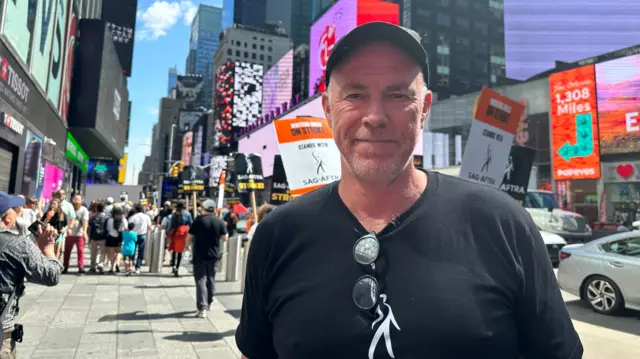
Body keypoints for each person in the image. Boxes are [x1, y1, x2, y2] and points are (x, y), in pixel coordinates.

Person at [236, 22, 583, 359]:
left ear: (425, 108)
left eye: (398, 95)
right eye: (354, 95)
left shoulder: (503, 223)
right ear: (328, 109)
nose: (375, 116)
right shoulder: (277, 234)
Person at [0, 192, 62, 358]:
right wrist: (48, 249)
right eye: (14, 209)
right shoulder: (18, 245)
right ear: (7, 217)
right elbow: (51, 275)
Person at [186, 199, 228, 318]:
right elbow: (225, 238)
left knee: (200, 280)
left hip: (199, 254)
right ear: (214, 209)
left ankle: (202, 307)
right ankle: (209, 301)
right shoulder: (219, 221)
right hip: (214, 254)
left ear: (204, 209)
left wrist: (187, 246)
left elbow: (189, 236)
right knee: (211, 278)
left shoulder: (198, 221)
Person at [63, 195, 89, 274]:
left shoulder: (84, 210)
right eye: (75, 199)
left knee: (80, 251)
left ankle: (81, 267)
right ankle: (65, 266)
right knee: (67, 251)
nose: (76, 201)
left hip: (79, 234)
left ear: (81, 201)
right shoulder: (68, 209)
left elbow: (85, 221)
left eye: (78, 199)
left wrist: (84, 232)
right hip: (69, 234)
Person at [167, 200, 192, 277]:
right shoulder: (187, 214)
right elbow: (191, 223)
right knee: (180, 251)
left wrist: (168, 233)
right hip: (183, 233)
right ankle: (177, 267)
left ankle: (173, 265)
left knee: (174, 250)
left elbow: (171, 225)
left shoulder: (174, 214)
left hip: (174, 233)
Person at [128, 204, 152, 274]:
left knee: (132, 251)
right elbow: (149, 227)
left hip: (133, 235)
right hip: (142, 235)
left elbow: (129, 226)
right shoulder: (146, 217)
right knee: (140, 252)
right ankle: (138, 267)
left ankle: (131, 266)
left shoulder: (132, 217)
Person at [105, 206, 127, 274]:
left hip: (110, 238)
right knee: (119, 252)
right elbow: (126, 228)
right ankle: (117, 263)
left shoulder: (109, 220)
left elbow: (108, 229)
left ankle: (112, 267)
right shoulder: (124, 220)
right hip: (120, 237)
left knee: (111, 254)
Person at [88, 203, 108, 273]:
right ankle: (100, 263)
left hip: (94, 237)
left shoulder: (92, 217)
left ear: (96, 209)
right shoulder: (106, 218)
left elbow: (89, 229)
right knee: (103, 252)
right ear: (104, 209)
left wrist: (89, 238)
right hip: (103, 237)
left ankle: (92, 266)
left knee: (93, 253)